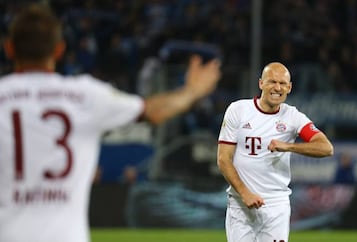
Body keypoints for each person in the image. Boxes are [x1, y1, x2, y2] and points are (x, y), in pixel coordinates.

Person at [0, 4, 221, 242]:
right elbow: (153, 111)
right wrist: (192, 91)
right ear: (59, 49)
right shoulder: (85, 95)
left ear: (9, 48)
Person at [217, 62, 333, 242]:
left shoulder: (293, 117)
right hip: (240, 204)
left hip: (276, 206)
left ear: (289, 87)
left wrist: (288, 146)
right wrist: (244, 193)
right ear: (261, 83)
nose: (277, 88)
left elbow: (326, 148)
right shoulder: (238, 110)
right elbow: (224, 159)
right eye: (272, 82)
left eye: (282, 83)